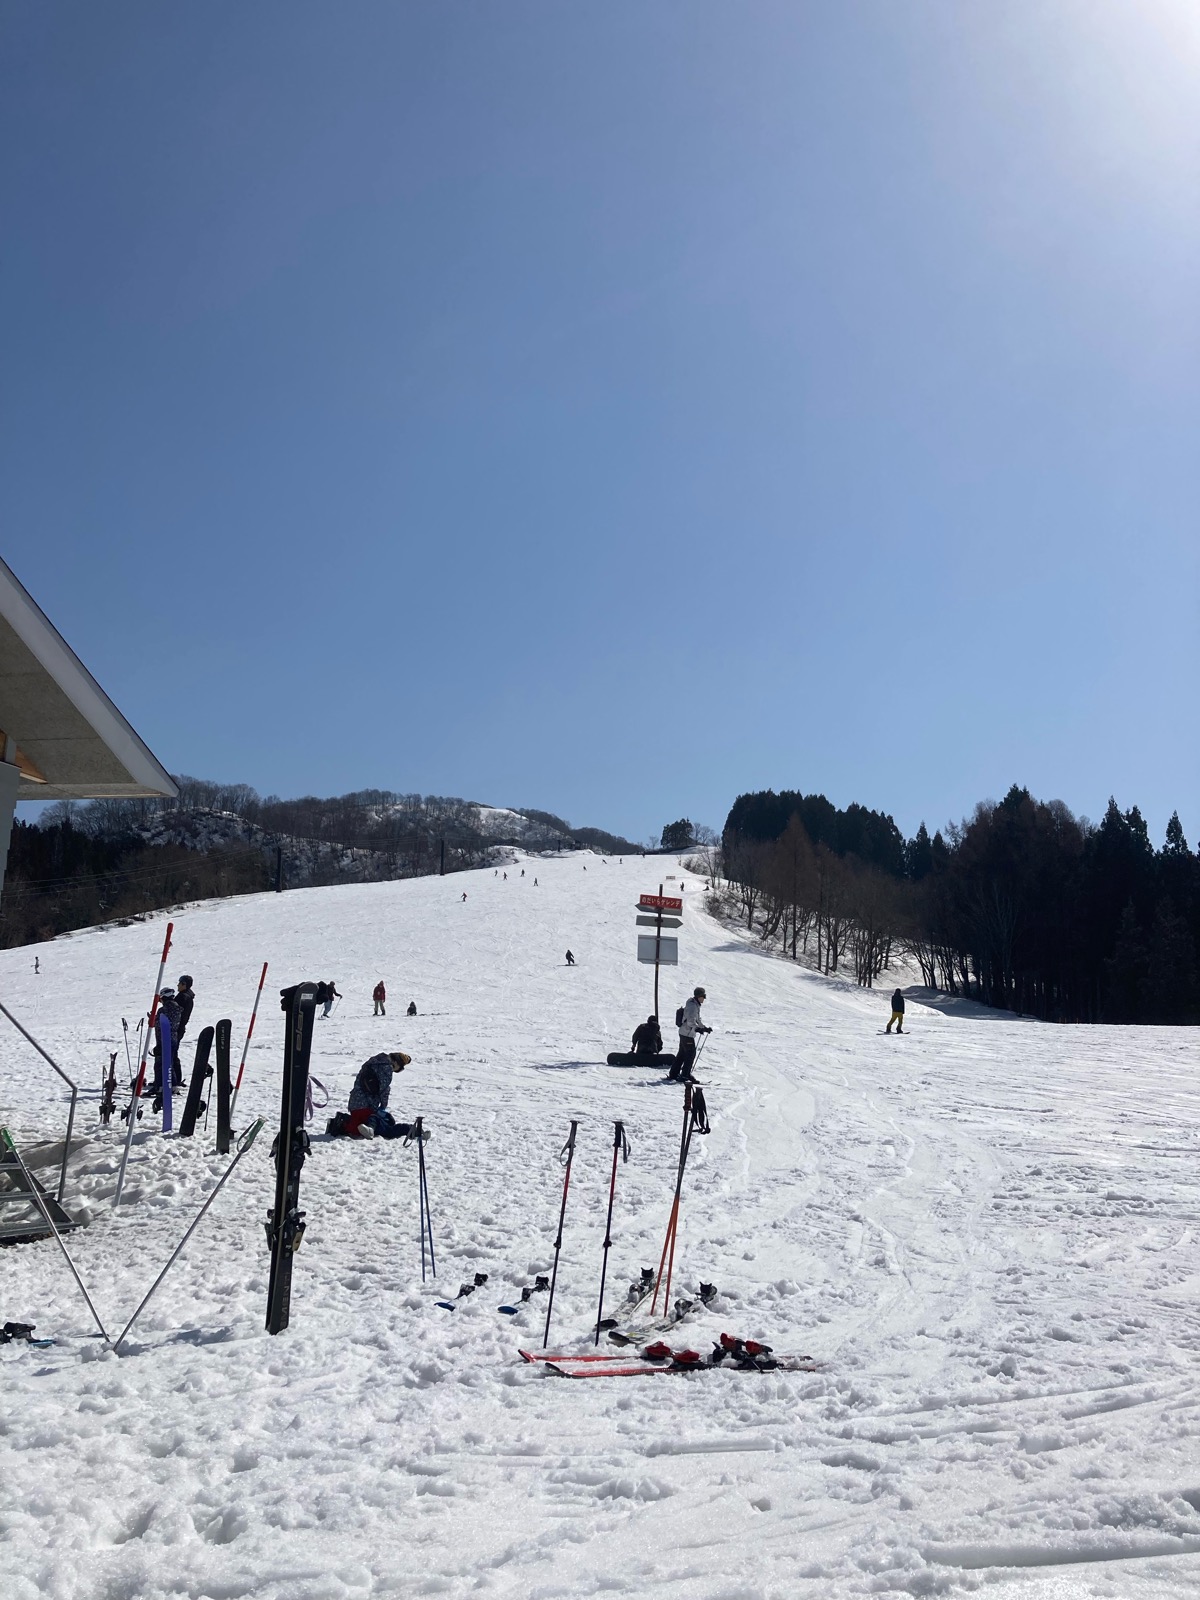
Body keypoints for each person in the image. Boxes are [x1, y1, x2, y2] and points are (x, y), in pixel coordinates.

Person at [344, 1050, 414, 1138]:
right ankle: (412, 1129)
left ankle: (341, 1123)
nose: (393, 1071)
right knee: (385, 1126)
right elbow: (384, 1090)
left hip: (354, 1103)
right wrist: (383, 1107)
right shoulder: (387, 1068)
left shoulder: (373, 1061)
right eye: (397, 1069)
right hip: (367, 1106)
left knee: (357, 1122)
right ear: (396, 1063)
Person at [670, 987, 711, 1082]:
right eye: (703, 996)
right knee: (690, 1055)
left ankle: (674, 1074)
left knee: (682, 1054)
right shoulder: (692, 1006)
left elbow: (697, 1020)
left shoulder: (695, 1005)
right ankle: (685, 1075)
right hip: (687, 1034)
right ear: (698, 996)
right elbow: (690, 1022)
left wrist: (704, 1028)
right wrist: (697, 1029)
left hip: (685, 1033)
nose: (704, 999)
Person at [148, 987, 182, 1097]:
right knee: (169, 1062)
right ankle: (173, 1085)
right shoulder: (176, 1008)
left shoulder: (163, 1010)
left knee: (161, 1063)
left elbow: (159, 1027)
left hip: (164, 1039)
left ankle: (161, 1086)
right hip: (173, 1038)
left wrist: (155, 1019)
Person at [173, 975, 195, 1086]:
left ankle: (174, 1079)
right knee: (173, 1052)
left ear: (184, 985)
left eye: (180, 983)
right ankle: (175, 1078)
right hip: (179, 1028)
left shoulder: (183, 997)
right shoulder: (187, 996)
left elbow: (175, 1012)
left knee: (171, 1053)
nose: (178, 985)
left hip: (176, 1028)